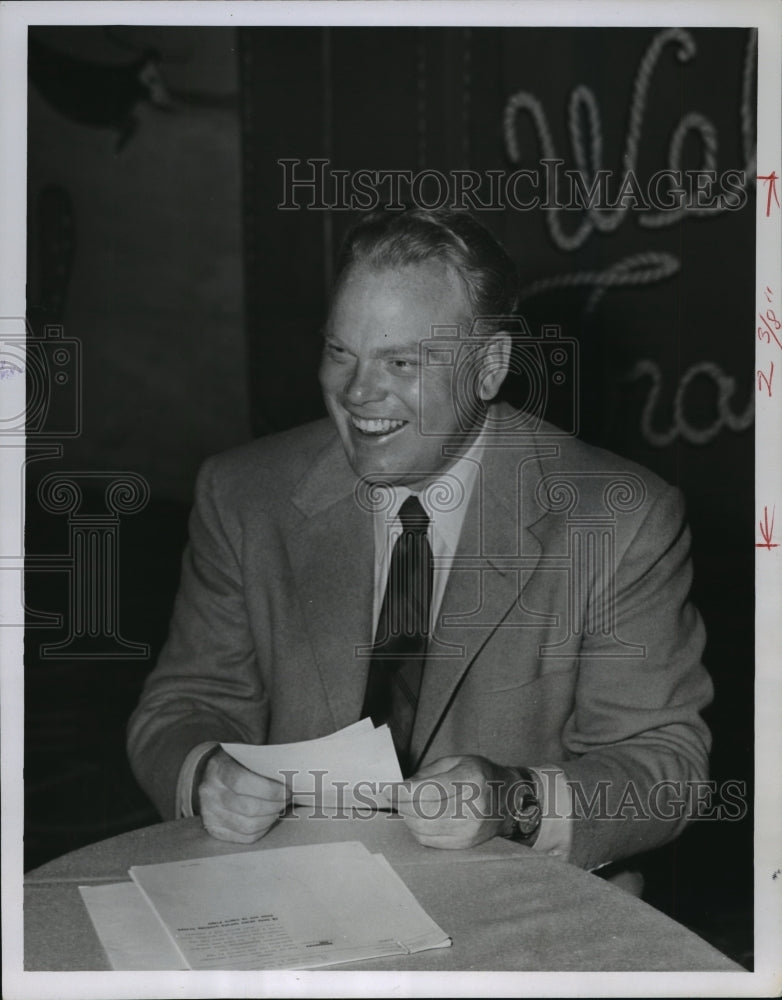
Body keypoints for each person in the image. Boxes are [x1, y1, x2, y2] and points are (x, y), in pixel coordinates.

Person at [127, 207, 712, 874]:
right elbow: (185, 706)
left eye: (401, 361)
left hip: (523, 908)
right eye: (340, 352)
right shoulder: (243, 494)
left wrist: (513, 799)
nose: (357, 391)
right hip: (298, 897)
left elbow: (665, 766)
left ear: (489, 367)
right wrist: (206, 772)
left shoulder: (619, 519)